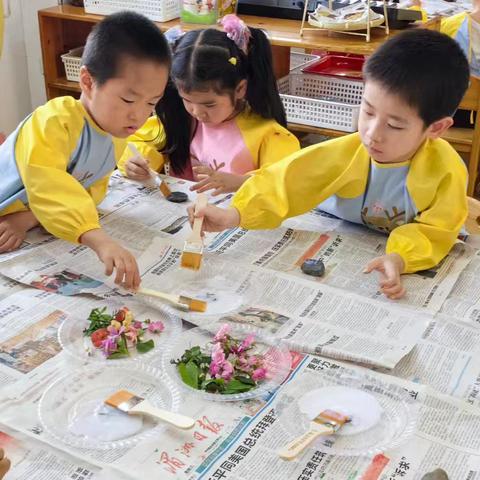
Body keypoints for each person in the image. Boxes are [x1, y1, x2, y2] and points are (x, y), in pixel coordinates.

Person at [189, 29, 470, 299]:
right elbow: (287, 181)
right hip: (331, 225)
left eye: (395, 125)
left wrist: (400, 257)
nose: (372, 133)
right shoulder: (348, 150)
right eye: (367, 111)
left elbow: (437, 230)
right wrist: (234, 215)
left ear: (436, 128)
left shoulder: (446, 170)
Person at [0, 11, 171, 289]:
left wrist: (29, 218)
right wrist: (98, 239)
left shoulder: (115, 132)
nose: (139, 116)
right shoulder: (54, 121)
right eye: (128, 99)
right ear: (88, 82)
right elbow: (49, 187)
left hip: (26, 221)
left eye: (152, 103)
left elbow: (88, 189)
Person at [120, 15, 299, 196]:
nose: (197, 112)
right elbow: (138, 140)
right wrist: (139, 161)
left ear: (240, 89)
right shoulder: (179, 120)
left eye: (209, 104)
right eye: (187, 100)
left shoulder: (267, 134)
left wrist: (240, 182)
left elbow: (285, 180)